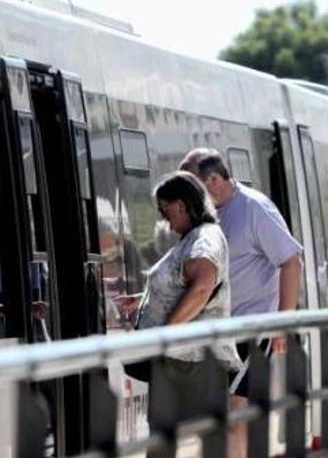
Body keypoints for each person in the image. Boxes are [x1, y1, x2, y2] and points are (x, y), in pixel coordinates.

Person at [179, 148, 302, 458]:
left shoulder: (253, 209)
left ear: (216, 179)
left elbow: (291, 261)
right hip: (217, 331)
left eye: (193, 188)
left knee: (236, 414)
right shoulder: (206, 216)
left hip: (250, 329)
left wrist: (282, 323)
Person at [119, 171, 241, 458]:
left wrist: (168, 330)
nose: (163, 217)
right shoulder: (194, 237)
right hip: (183, 359)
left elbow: (202, 285)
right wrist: (143, 301)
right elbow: (184, 286)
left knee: (169, 439)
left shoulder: (205, 238)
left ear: (182, 205)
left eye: (165, 208)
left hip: (191, 360)